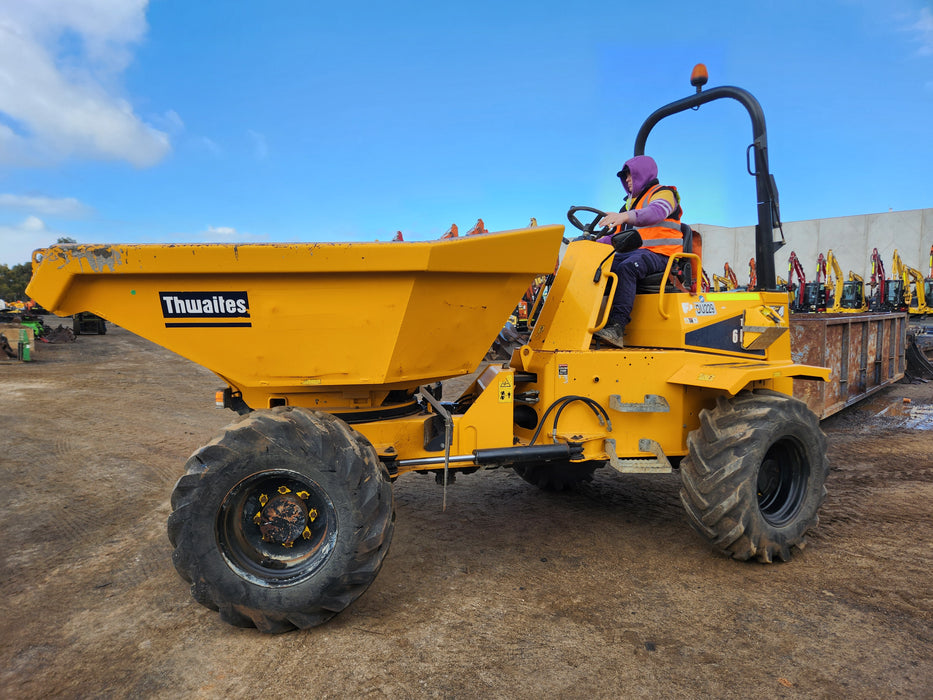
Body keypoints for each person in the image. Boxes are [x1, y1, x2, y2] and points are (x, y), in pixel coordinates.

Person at [593, 155, 683, 348]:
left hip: (663, 256)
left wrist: (625, 216)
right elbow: (616, 238)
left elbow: (655, 212)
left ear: (642, 173)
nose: (627, 180)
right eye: (625, 176)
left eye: (630, 175)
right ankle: (588, 321)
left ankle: (616, 328)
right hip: (637, 254)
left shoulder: (664, 194)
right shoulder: (629, 206)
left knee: (627, 267)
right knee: (598, 265)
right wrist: (593, 244)